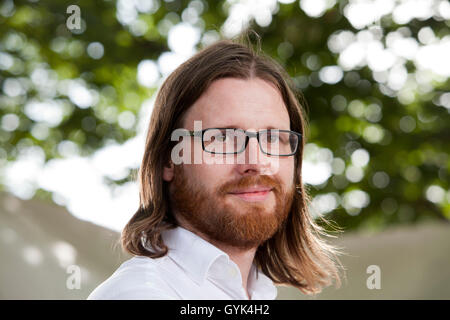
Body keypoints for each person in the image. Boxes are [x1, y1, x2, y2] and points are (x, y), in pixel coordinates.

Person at [88, 34, 342, 300]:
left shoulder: (257, 293)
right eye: (222, 138)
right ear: (167, 160)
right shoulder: (140, 294)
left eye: (273, 138)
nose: (255, 163)